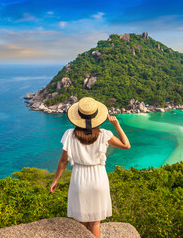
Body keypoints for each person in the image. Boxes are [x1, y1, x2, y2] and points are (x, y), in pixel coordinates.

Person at [50, 97, 130, 238]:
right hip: (98, 178)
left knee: (81, 223)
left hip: (79, 179)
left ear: (78, 117)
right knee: (95, 223)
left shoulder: (69, 135)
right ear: (97, 117)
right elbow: (126, 145)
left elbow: (63, 161)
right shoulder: (104, 134)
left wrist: (55, 180)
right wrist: (117, 125)